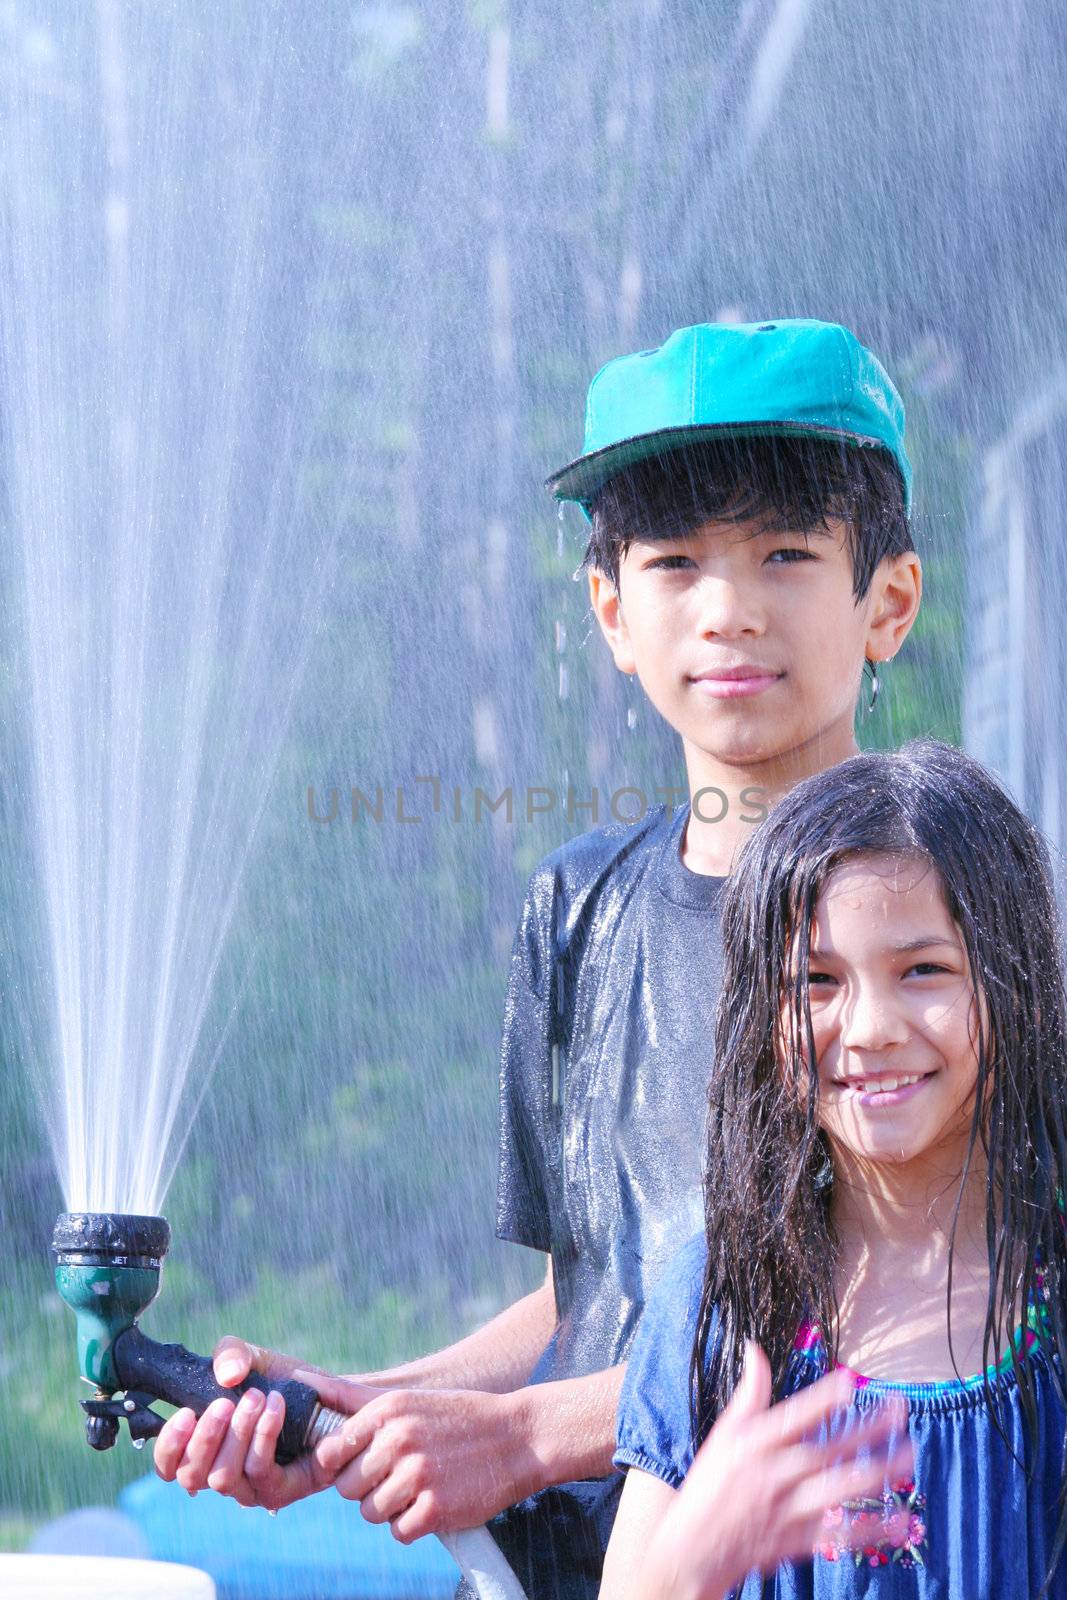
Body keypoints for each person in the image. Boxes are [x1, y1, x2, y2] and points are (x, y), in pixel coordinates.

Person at [153, 320, 923, 1598]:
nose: (727, 607)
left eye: (785, 554)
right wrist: (359, 1410)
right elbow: (587, 1302)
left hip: (814, 1559)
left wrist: (517, 1439)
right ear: (612, 615)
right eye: (675, 563)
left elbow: (914, 1308)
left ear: (884, 601)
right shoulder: (577, 909)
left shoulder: (939, 935)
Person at [603, 740, 1067, 1599]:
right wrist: (690, 1563)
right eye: (815, 981)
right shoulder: (725, 1304)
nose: (868, 1029)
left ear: (1017, 986)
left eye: (922, 970)